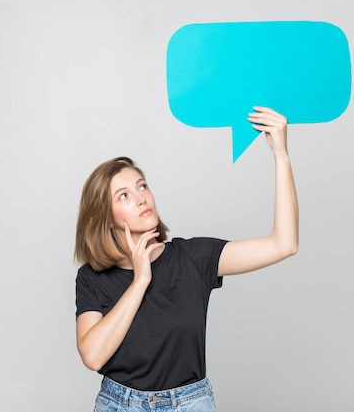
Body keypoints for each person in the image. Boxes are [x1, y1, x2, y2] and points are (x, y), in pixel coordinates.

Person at [74, 107, 298, 411]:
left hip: (189, 404)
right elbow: (93, 356)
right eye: (123, 195)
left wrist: (281, 156)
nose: (141, 197)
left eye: (142, 186)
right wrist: (140, 281)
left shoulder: (193, 258)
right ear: (106, 217)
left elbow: (283, 244)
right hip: (120, 404)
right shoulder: (92, 277)